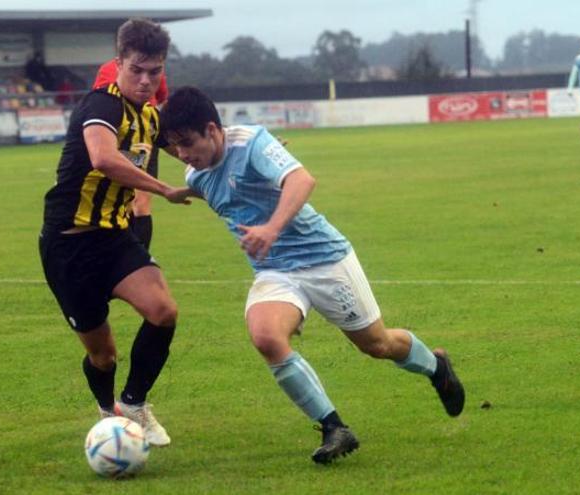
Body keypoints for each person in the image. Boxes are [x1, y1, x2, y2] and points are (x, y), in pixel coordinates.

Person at [159, 86, 466, 464]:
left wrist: (270, 229)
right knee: (266, 336)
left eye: (187, 143)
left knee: (377, 345)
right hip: (275, 271)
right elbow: (221, 189)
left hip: (325, 259)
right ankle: (334, 427)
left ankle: (437, 367)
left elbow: (302, 180)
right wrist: (177, 191)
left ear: (211, 129)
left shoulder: (252, 141)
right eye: (175, 147)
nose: (184, 155)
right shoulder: (198, 173)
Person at [39, 18, 191, 447]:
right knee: (102, 354)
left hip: (113, 237)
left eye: (155, 71)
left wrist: (246, 147)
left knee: (163, 311)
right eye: (137, 70)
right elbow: (104, 158)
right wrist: (163, 189)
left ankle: (134, 402)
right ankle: (109, 415)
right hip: (69, 244)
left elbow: (191, 141)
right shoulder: (100, 106)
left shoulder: (149, 117)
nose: (146, 81)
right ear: (119, 62)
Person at [92, 57, 170, 253]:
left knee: (141, 203)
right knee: (125, 204)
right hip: (119, 142)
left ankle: (140, 258)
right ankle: (127, 258)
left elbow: (162, 99)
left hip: (146, 138)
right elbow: (101, 102)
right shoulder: (108, 70)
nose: (145, 79)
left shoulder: (156, 71)